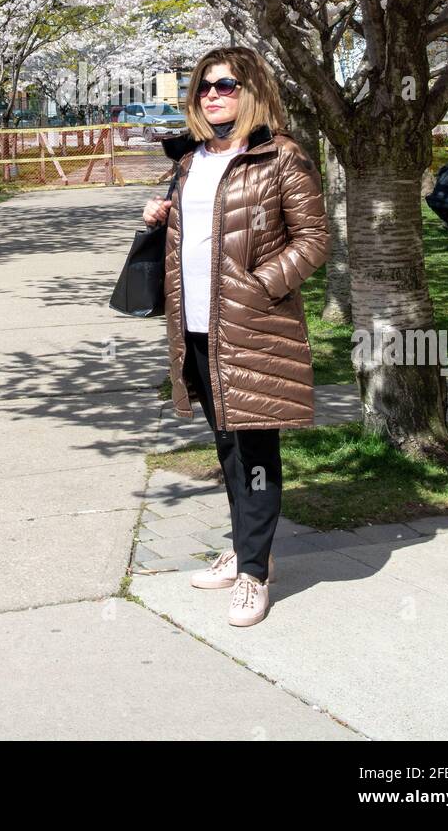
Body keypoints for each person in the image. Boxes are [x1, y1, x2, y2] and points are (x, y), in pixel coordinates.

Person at [141, 46, 330, 628]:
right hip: (195, 325)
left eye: (226, 85)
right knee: (226, 445)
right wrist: (161, 215)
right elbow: (199, 230)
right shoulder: (191, 161)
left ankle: (253, 576)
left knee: (255, 451)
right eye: (203, 86)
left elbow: (315, 238)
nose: (213, 95)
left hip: (252, 325)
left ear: (252, 91)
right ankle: (252, 551)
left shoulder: (280, 157)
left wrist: (261, 283)